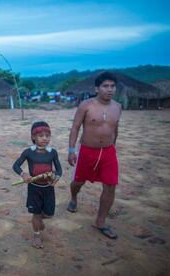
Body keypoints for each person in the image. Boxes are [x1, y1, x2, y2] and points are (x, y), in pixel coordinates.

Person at [67, 71, 122, 239]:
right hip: (87, 151)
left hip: (108, 152)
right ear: (97, 88)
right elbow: (75, 127)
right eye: (105, 86)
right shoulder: (86, 105)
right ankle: (74, 197)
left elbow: (115, 128)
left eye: (112, 86)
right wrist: (71, 150)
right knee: (78, 182)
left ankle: (100, 222)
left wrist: (113, 146)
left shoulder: (118, 106)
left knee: (110, 185)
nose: (109, 89)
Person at [13, 121, 62, 249]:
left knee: (49, 214)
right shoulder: (29, 152)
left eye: (47, 135)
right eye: (41, 136)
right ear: (33, 137)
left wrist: (56, 178)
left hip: (48, 188)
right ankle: (36, 235)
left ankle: (39, 219)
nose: (45, 138)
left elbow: (59, 169)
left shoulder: (52, 152)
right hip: (34, 188)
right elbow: (16, 165)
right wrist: (24, 175)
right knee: (35, 213)